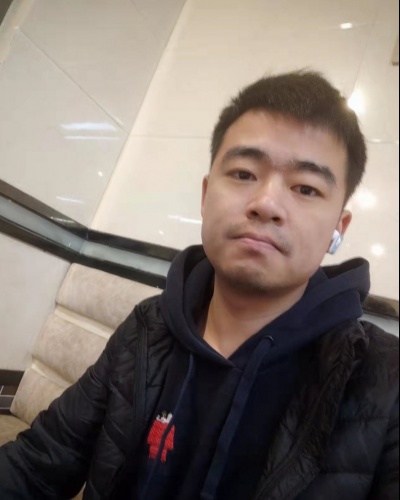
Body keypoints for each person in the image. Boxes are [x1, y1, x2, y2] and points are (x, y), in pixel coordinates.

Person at [0, 70, 398, 500]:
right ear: (206, 196)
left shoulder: (385, 382)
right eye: (244, 173)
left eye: (305, 188)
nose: (266, 204)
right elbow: (38, 462)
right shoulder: (147, 329)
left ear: (338, 228)